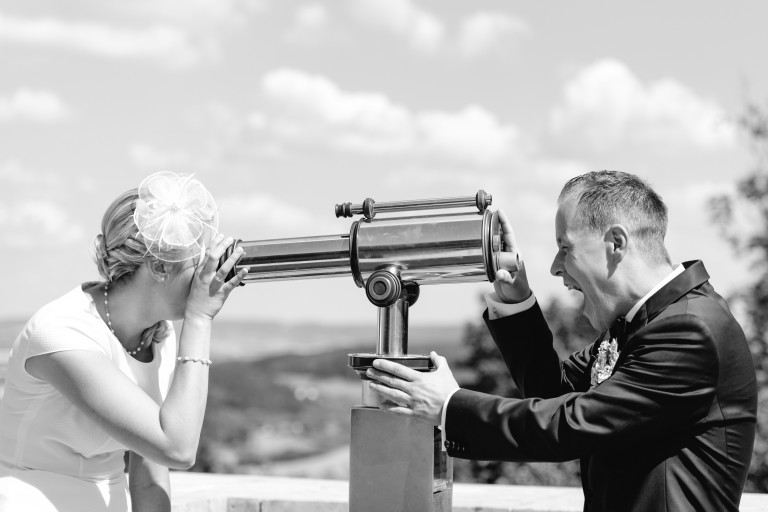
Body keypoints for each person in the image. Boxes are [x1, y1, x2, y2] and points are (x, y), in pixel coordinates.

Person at [366, 170, 757, 511]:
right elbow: (554, 394)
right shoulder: (645, 323)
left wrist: (449, 406)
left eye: (565, 248)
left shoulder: (689, 329)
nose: (554, 267)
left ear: (616, 243)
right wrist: (517, 301)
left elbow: (570, 424)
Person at [0, 172, 248, 512]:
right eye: (200, 262)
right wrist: (200, 320)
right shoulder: (62, 332)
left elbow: (149, 473)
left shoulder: (158, 334)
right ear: (159, 267)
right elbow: (177, 448)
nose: (209, 272)